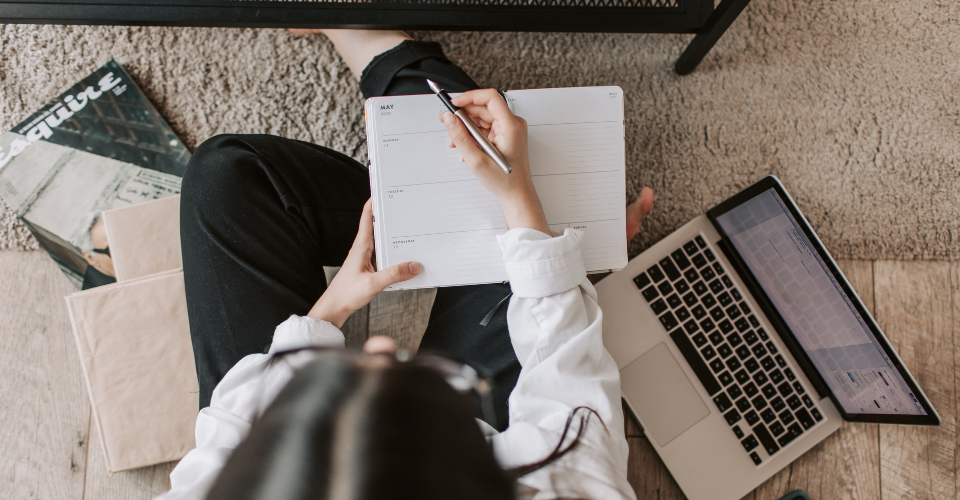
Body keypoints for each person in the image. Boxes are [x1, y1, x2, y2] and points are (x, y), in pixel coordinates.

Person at [159, 29, 655, 500]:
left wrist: (329, 312)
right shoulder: (570, 484)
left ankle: (377, 49)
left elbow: (231, 429)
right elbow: (569, 382)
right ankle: (374, 40)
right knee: (530, 226)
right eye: (402, 378)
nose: (376, 343)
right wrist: (519, 195)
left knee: (227, 176)